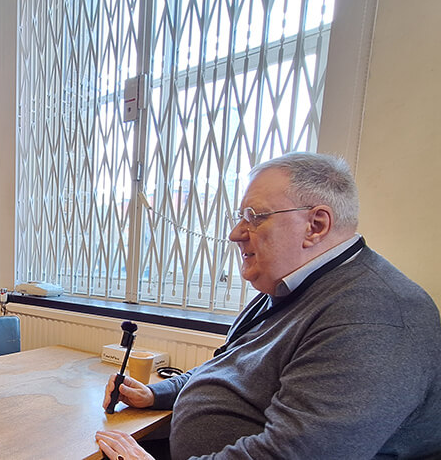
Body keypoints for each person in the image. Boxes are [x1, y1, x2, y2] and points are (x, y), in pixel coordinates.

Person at [96, 152, 441, 460]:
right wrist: (157, 393)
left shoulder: (373, 318)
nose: (235, 233)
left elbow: (294, 454)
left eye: (255, 216)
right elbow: (229, 365)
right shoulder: (286, 288)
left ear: (316, 226)